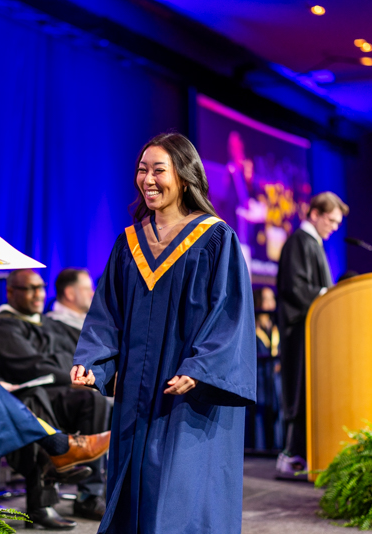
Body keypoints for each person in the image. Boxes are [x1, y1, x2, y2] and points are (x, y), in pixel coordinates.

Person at [71, 132, 258, 534]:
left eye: (159, 170)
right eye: (142, 170)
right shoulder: (129, 243)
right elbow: (107, 312)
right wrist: (93, 362)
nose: (148, 179)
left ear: (185, 177)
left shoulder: (214, 238)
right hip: (137, 390)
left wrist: (202, 368)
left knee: (180, 492)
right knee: (134, 484)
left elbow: (229, 314)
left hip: (187, 391)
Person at [0, 269, 111, 525]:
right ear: (11, 292)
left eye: (40, 287)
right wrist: (71, 376)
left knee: (93, 401)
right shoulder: (1, 325)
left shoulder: (49, 324)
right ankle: (44, 497)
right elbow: (31, 367)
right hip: (22, 395)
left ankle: (90, 496)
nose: (38, 294)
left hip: (59, 393)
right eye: (30, 288)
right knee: (36, 399)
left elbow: (75, 356)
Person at [275, 191, 348, 479]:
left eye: (337, 222)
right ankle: (294, 455)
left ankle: (308, 454)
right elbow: (295, 288)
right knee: (299, 392)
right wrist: (327, 299)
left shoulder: (313, 243)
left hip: (312, 333)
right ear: (314, 214)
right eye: (330, 220)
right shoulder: (299, 242)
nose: (334, 226)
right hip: (299, 334)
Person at [250, 287, 283, 452]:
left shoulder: (277, 329)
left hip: (276, 379)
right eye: (266, 299)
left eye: (272, 299)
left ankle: (278, 447)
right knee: (259, 414)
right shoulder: (252, 329)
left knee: (278, 411)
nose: (270, 304)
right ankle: (259, 448)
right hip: (259, 377)